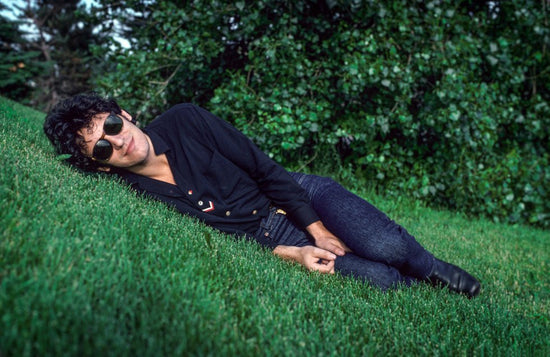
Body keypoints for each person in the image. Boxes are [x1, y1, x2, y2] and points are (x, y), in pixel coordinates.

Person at [44, 93, 481, 298]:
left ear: (125, 115)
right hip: (275, 237)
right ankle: (417, 287)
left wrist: (317, 228)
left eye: (113, 126)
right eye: (101, 147)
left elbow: (265, 169)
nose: (117, 142)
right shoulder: (132, 190)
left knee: (385, 245)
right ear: (100, 164)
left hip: (298, 195)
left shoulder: (185, 120)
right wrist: (294, 252)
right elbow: (224, 239)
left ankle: (431, 267)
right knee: (383, 281)